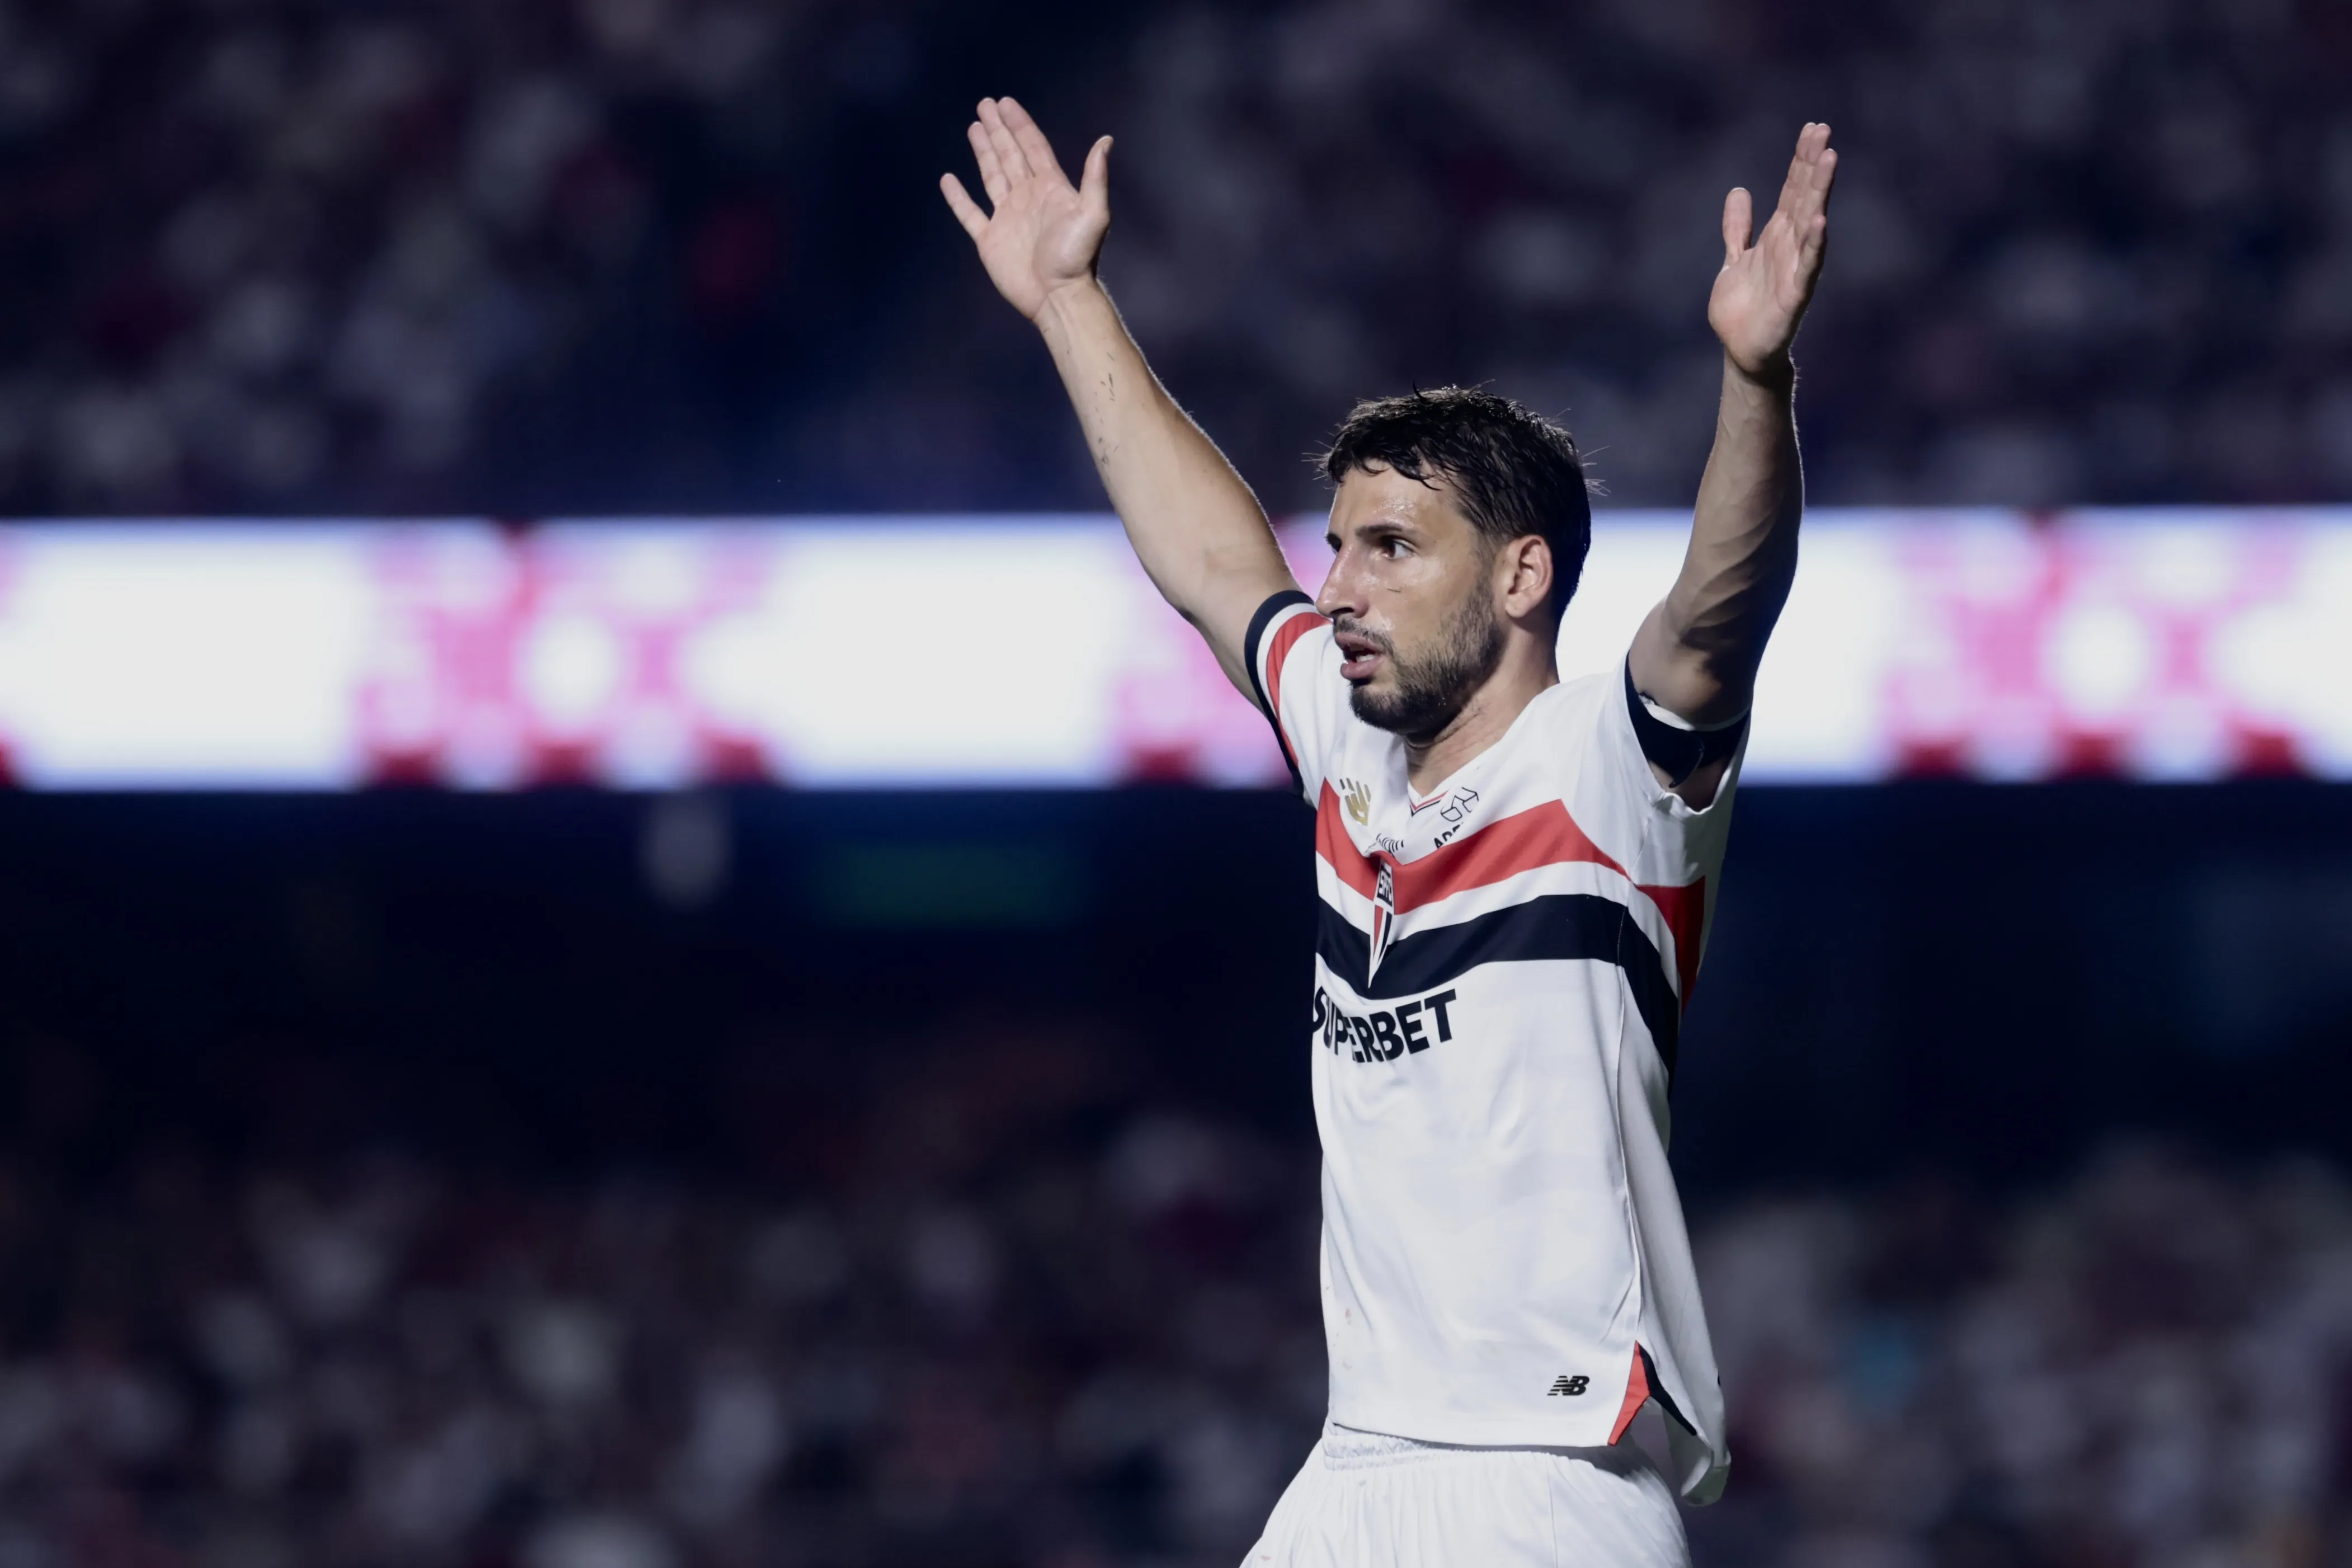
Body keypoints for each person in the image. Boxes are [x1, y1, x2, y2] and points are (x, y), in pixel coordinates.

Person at [944, 97, 1833, 1567]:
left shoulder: (1609, 772)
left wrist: (1753, 377)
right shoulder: (1349, 746)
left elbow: (1719, 610)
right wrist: (1066, 301)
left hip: (1546, 1476)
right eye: (1341, 544)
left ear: (1519, 578)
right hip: (1356, 1463)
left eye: (1392, 549)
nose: (1340, 586)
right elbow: (1215, 559)